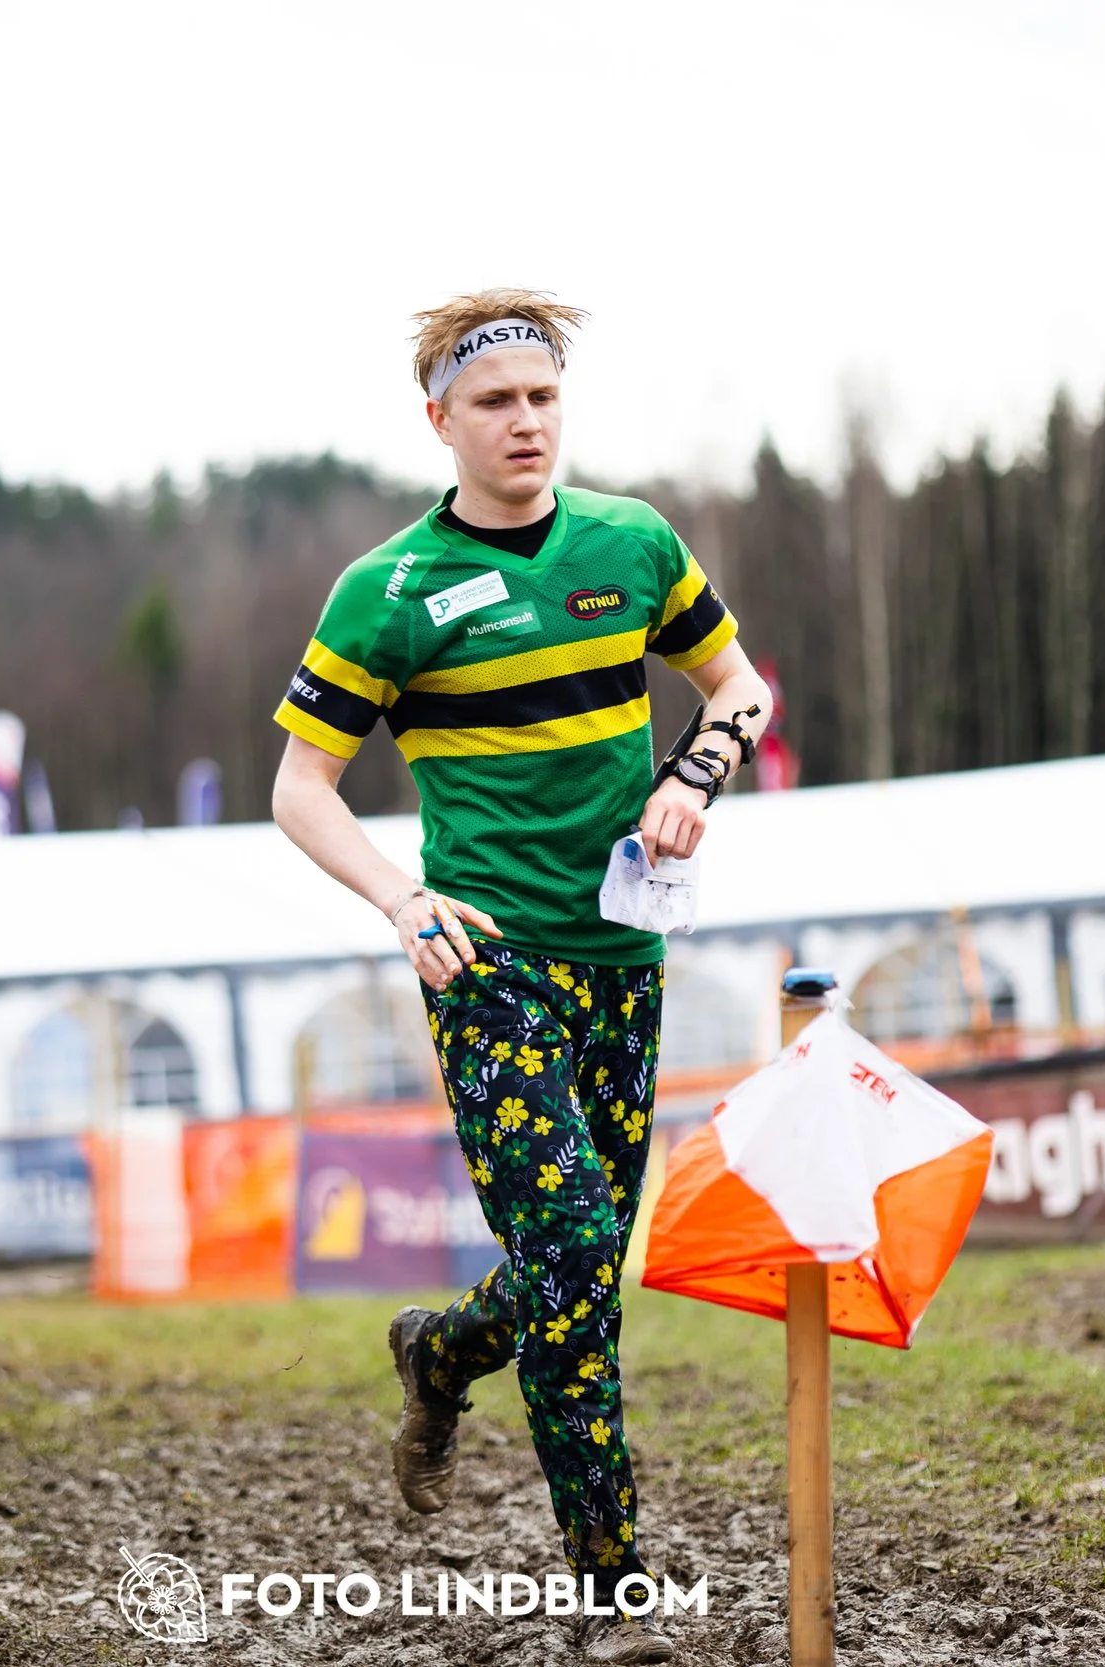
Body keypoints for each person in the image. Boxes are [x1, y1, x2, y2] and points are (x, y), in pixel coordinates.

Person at [269, 290, 771, 1665]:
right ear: (441, 419)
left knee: (580, 1265)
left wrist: (693, 775)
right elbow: (299, 786)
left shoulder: (633, 541)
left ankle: (439, 1349)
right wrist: (399, 895)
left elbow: (740, 688)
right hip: (486, 962)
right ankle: (612, 1589)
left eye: (543, 396)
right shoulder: (391, 591)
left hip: (624, 952)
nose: (526, 421)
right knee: (569, 1263)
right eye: (495, 402)